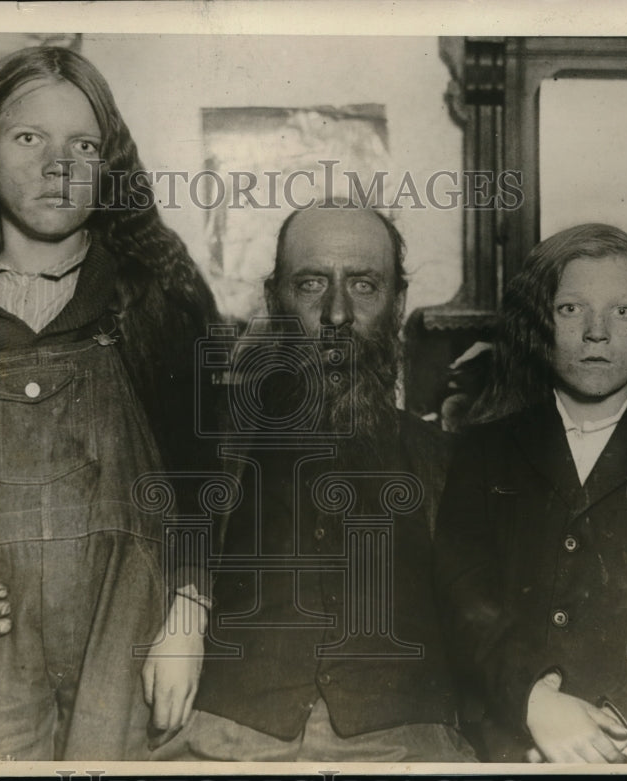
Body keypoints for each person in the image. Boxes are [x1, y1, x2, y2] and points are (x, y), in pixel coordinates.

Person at [0, 46, 217, 760]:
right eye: (30, 138)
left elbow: (210, 469)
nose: (60, 165)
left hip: (131, 649)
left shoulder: (157, 295)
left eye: (83, 144)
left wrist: (189, 611)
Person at [151, 203, 477, 762]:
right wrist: (188, 602)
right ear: (276, 299)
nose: (337, 314)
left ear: (397, 302)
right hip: (226, 744)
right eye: (310, 285)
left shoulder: (445, 461)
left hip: (406, 751)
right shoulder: (220, 446)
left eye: (364, 286)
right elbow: (158, 538)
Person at [434, 223, 627, 763]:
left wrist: (623, 726)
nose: (597, 332)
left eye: (623, 312)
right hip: (504, 745)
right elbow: (464, 600)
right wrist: (533, 703)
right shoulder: (484, 453)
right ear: (542, 329)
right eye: (571, 310)